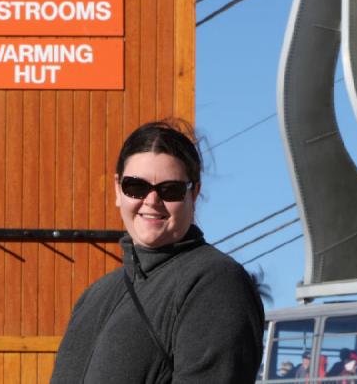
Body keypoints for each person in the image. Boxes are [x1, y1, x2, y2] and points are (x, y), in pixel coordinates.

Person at [50, 120, 265, 383]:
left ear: (194, 193)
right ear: (118, 189)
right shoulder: (95, 295)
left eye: (170, 190)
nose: (151, 201)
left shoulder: (215, 283)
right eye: (136, 187)